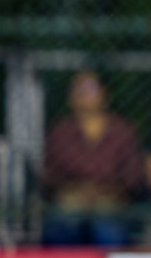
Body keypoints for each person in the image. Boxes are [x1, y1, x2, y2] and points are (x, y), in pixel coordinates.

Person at [41, 70, 144, 245]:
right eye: (79, 89)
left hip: (110, 201)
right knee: (63, 227)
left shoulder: (122, 131)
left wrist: (109, 191)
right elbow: (49, 175)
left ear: (104, 94)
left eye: (90, 88)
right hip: (70, 200)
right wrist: (75, 190)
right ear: (71, 97)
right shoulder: (60, 132)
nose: (85, 94)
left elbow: (133, 177)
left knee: (107, 230)